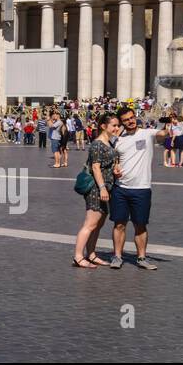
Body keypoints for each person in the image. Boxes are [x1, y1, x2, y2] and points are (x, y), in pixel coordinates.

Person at [109, 106, 157, 270]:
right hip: (120, 188)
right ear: (121, 122)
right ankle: (117, 256)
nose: (130, 121)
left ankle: (141, 257)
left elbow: (163, 133)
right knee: (119, 224)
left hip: (142, 188)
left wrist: (169, 125)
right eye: (125, 120)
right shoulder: (118, 139)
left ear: (135, 117)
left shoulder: (147, 133)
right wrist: (115, 167)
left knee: (140, 225)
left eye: (131, 118)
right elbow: (115, 159)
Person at [72, 112, 119, 268]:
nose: (117, 128)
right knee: (90, 224)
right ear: (103, 126)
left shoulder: (109, 143)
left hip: (107, 188)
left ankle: (91, 254)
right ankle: (78, 256)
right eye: (114, 125)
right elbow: (95, 167)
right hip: (97, 189)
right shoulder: (97, 144)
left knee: (98, 225)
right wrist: (102, 188)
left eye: (118, 125)